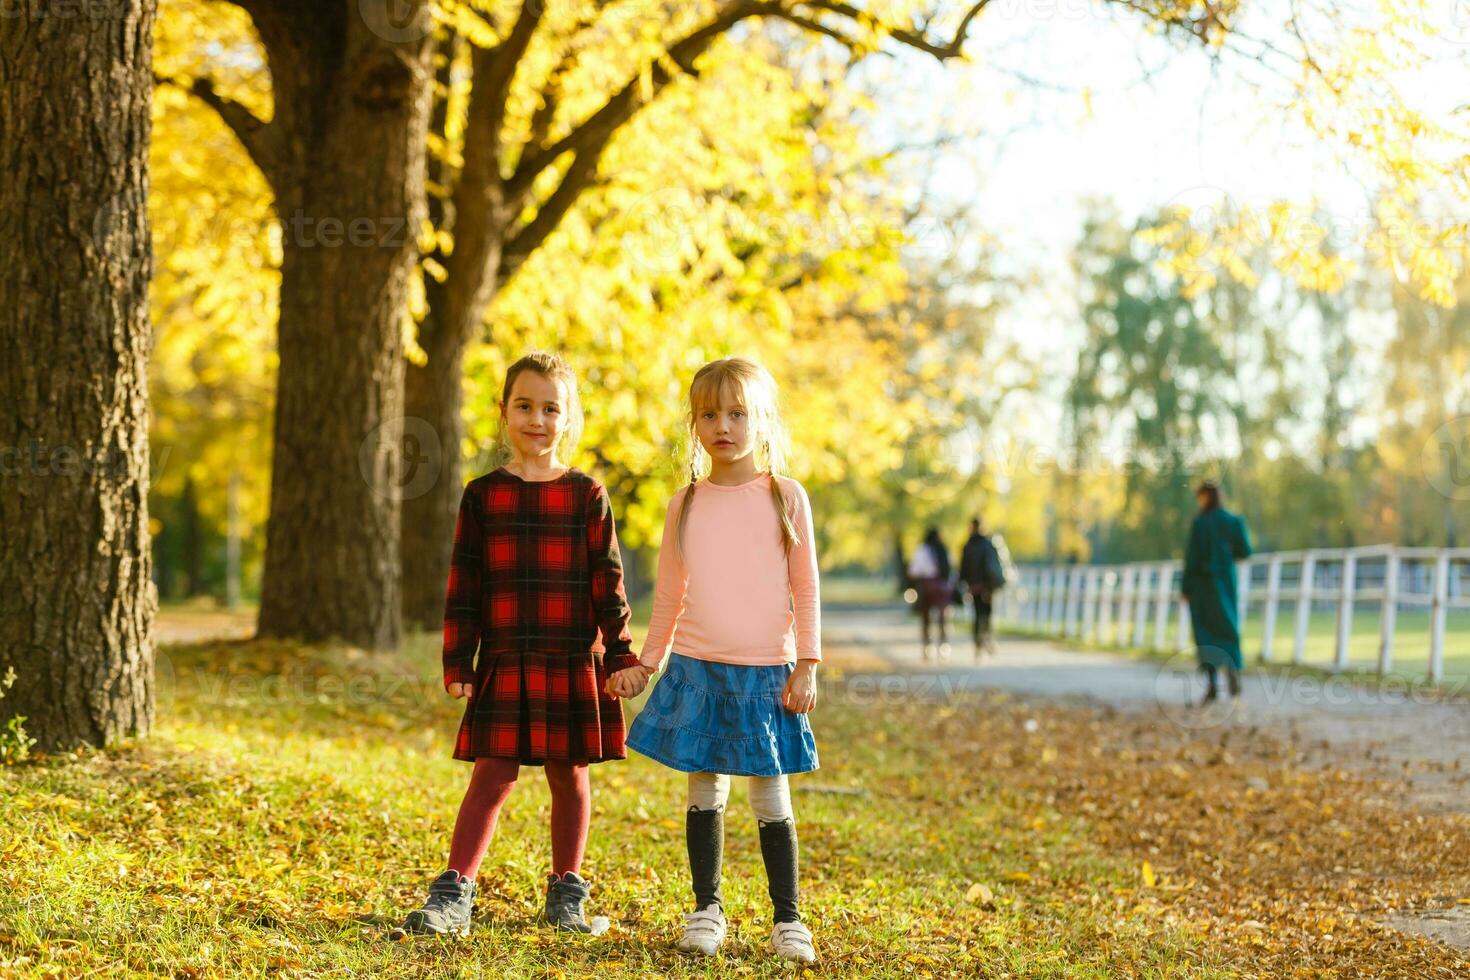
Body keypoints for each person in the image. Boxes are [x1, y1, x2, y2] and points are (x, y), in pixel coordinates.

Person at [394, 352, 639, 938]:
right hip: (506, 656)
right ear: (503, 413)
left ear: (569, 418)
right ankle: (454, 891)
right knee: (493, 773)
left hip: (572, 657)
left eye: (551, 409)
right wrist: (459, 659)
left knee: (569, 774)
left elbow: (609, 581)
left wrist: (622, 653)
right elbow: (466, 585)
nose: (538, 419)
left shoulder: (587, 495)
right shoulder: (483, 496)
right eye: (525, 406)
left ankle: (566, 892)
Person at [608, 357, 820, 964]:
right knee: (706, 786)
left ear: (762, 420)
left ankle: (788, 918)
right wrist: (648, 664)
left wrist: (807, 662)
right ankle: (707, 908)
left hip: (766, 671)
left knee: (769, 790)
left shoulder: (786, 496)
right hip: (699, 666)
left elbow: (804, 586)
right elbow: (671, 593)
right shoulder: (686, 504)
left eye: (736, 413)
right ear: (695, 423)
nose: (722, 425)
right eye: (709, 414)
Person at [1181, 479, 1253, 706]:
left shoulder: (1200, 524)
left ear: (1206, 496)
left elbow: (1191, 558)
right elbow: (1245, 551)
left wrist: (1185, 588)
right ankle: (1233, 672)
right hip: (1225, 583)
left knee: (1205, 633)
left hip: (1203, 586)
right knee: (1228, 627)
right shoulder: (1232, 521)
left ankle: (1212, 685)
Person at [959, 517, 1006, 659]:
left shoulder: (968, 546)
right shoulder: (989, 543)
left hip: (974, 586)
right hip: (988, 586)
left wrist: (964, 582)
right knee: (988, 613)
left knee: (977, 613)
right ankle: (987, 639)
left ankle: (978, 643)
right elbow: (996, 564)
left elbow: (963, 568)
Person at [908, 527, 953, 660]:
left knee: (926, 618)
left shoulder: (922, 550)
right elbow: (950, 568)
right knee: (943, 617)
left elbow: (914, 570)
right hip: (941, 587)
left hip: (926, 585)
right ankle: (943, 645)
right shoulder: (944, 549)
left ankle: (927, 646)